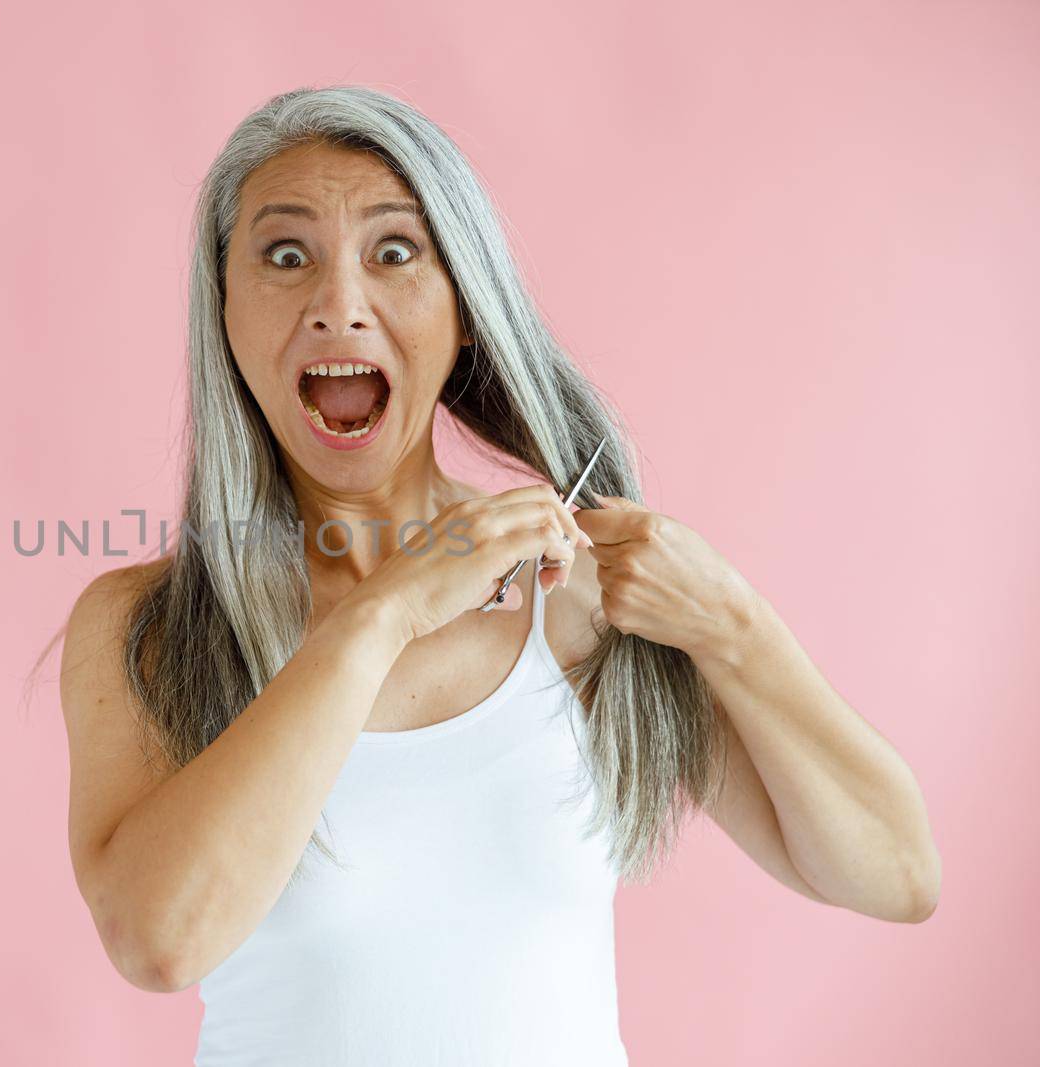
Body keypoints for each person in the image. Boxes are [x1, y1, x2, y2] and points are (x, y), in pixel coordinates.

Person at [54, 85, 940, 1065]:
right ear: (223, 310)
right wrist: (382, 614)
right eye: (284, 254)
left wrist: (733, 625)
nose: (337, 304)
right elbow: (158, 939)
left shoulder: (579, 595)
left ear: (465, 309)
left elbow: (895, 873)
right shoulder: (148, 625)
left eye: (394, 252)